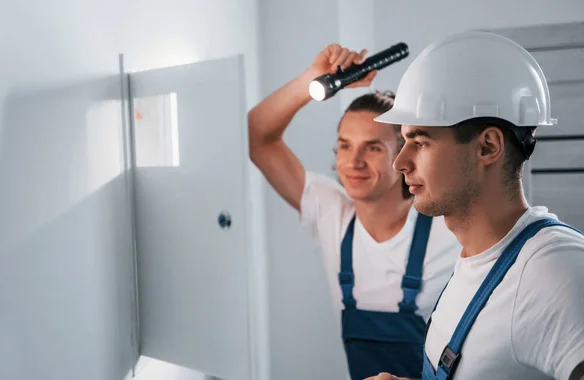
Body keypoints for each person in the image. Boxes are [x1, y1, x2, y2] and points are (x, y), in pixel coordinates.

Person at [366, 30, 584, 380]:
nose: (400, 162)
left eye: (420, 142)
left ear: (487, 148)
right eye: (405, 141)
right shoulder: (477, 260)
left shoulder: (554, 271)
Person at [248, 44, 462, 380]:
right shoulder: (329, 210)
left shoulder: (450, 230)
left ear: (404, 156)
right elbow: (257, 136)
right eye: (345, 145)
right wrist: (312, 80)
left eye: (373, 148)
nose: (354, 162)